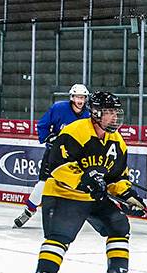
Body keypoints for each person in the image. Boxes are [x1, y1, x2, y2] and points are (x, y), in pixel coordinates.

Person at [27, 91, 147, 273]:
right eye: (109, 112)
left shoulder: (117, 141)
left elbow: (117, 177)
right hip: (64, 193)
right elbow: (57, 165)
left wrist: (128, 195)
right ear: (96, 112)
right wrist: (84, 180)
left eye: (116, 113)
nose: (114, 117)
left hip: (91, 197)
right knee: (60, 236)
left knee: (119, 225)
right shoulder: (75, 132)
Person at [14, 83, 91, 227]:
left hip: (75, 157)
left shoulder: (88, 115)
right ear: (72, 97)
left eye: (82, 97)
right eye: (77, 97)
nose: (80, 100)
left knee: (79, 185)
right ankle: (28, 212)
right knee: (43, 183)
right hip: (54, 154)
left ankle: (81, 215)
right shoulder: (59, 108)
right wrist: (48, 137)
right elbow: (43, 125)